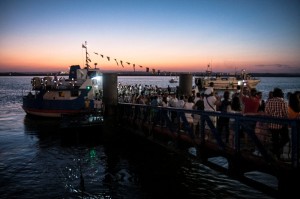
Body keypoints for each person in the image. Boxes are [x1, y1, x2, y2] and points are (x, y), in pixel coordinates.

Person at [265, 87, 289, 159]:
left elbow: (267, 113)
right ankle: (276, 151)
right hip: (281, 125)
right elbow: (286, 114)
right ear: (281, 94)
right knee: (286, 138)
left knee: (275, 140)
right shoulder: (283, 102)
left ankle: (276, 154)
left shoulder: (269, 101)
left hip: (271, 125)